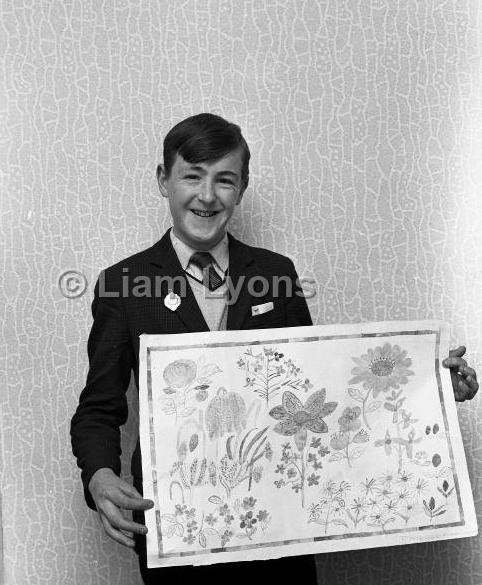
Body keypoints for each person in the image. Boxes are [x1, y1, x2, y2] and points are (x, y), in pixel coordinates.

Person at [70, 113, 478, 584]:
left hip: (282, 525)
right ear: (164, 181)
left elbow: (314, 396)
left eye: (224, 179)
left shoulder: (277, 273)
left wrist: (432, 389)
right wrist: (99, 475)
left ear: (242, 187)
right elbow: (98, 408)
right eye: (192, 176)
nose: (207, 196)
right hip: (179, 527)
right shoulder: (122, 286)